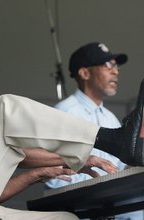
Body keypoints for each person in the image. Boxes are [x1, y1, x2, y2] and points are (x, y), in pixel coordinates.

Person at [0, 31, 144, 220]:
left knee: (66, 219)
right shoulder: (66, 110)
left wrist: (42, 171)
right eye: (106, 65)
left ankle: (113, 140)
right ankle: (109, 139)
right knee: (5, 109)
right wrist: (74, 156)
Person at [45, 42, 143, 219]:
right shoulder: (64, 113)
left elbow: (119, 168)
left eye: (116, 66)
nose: (116, 71)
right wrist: (101, 183)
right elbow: (53, 177)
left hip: (109, 203)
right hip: (79, 208)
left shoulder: (110, 118)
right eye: (108, 65)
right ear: (84, 73)